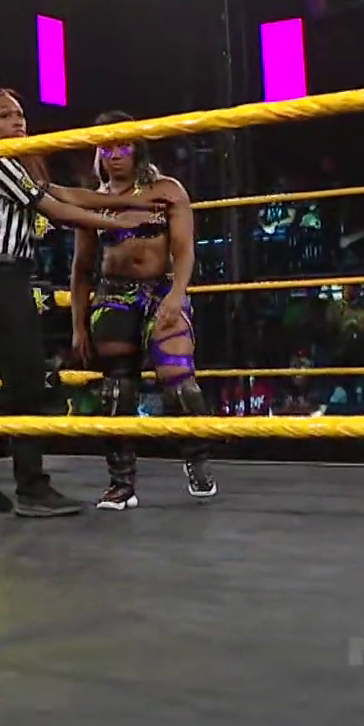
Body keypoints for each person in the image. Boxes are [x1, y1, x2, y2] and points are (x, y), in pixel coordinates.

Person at [0, 85, 159, 518]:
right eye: (5, 116)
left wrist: (126, 201)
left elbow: (64, 194)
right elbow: (57, 211)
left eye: (19, 114)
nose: (17, 122)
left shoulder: (11, 166)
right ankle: (27, 486)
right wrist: (115, 223)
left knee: (23, 382)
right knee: (29, 385)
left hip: (6, 278)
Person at [69, 112, 215, 510]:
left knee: (178, 376)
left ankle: (197, 459)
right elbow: (81, 268)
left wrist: (177, 294)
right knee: (117, 390)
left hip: (161, 289)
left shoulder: (166, 190)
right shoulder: (93, 199)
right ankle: (121, 484)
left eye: (123, 145)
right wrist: (78, 324)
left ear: (137, 149)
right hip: (113, 295)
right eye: (107, 147)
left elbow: (184, 250)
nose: (115, 154)